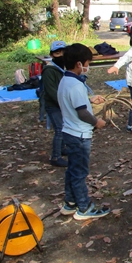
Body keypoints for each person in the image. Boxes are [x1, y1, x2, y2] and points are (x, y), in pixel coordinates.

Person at [57, 43, 109, 220]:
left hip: (69, 132)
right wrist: (97, 122)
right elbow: (82, 112)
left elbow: (76, 103)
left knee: (72, 170)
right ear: (79, 64)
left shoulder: (65, 80)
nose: (88, 67)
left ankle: (70, 202)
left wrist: (89, 99)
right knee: (80, 173)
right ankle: (84, 207)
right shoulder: (76, 86)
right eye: (87, 63)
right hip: (79, 136)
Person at [42, 40, 68, 167]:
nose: (61, 55)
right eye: (58, 53)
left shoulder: (63, 68)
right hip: (53, 105)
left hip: (62, 103)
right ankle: (55, 157)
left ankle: (62, 148)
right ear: (52, 55)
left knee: (64, 127)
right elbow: (51, 92)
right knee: (59, 129)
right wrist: (63, 102)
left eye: (63, 52)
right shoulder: (49, 70)